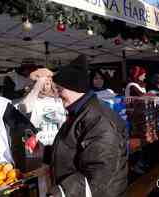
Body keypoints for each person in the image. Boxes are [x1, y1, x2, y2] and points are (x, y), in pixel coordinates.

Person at [47, 55, 128, 197]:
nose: (58, 94)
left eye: (60, 89)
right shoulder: (79, 113)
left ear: (75, 87)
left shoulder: (98, 119)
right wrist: (44, 153)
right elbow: (72, 148)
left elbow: (100, 172)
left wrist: (62, 193)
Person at [17, 68, 66, 147]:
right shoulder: (31, 100)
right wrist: (37, 87)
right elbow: (24, 108)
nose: (44, 88)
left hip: (56, 145)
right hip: (37, 146)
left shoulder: (58, 101)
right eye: (41, 84)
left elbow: (63, 124)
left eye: (47, 84)